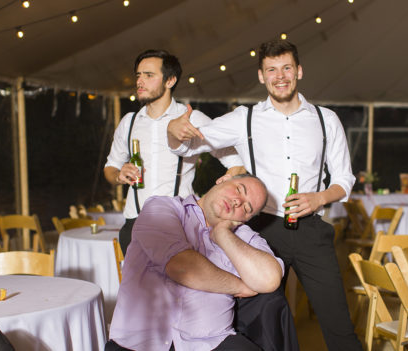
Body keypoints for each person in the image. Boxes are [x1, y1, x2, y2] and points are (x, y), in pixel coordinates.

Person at [167, 39, 362, 350]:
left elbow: (344, 179)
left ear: (298, 71)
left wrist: (319, 198)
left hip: (312, 231)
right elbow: (191, 144)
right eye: (271, 70)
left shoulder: (326, 120)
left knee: (338, 324)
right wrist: (173, 132)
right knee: (261, 318)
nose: (280, 76)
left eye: (286, 68)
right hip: (261, 231)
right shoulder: (245, 118)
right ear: (261, 76)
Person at [107, 174, 284, 351]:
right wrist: (239, 286)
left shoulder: (242, 236)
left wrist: (223, 235)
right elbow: (182, 268)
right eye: (239, 189)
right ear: (222, 179)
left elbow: (269, 279)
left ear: (245, 220)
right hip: (139, 342)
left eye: (246, 208)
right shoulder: (163, 207)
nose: (238, 202)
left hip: (211, 342)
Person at [104, 49, 245, 254]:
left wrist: (220, 195)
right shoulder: (129, 122)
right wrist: (118, 175)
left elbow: (235, 161)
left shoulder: (191, 118)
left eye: (149, 75)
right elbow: (110, 167)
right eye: (138, 75)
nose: (140, 81)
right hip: (135, 222)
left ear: (170, 80)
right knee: (137, 286)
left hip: (179, 223)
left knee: (180, 286)